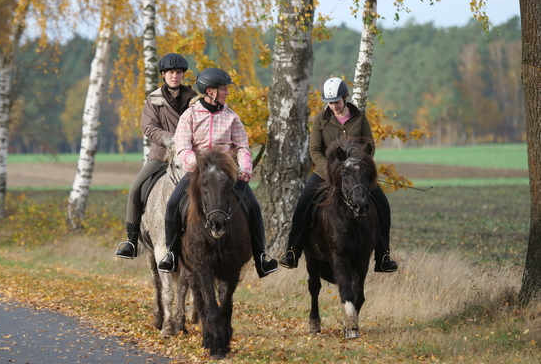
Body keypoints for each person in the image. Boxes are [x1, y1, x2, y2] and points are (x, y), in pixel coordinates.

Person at [156, 67, 278, 278]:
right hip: (197, 173)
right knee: (173, 205)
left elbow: (242, 147)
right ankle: (172, 254)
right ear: (210, 91)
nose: (227, 93)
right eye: (223, 89)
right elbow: (182, 147)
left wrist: (246, 167)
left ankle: (261, 257)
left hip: (226, 174)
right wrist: (197, 164)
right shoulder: (190, 116)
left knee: (254, 207)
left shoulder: (232, 117)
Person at [278, 77, 398, 273]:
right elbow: (315, 149)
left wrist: (357, 167)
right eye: (330, 102)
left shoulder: (360, 117)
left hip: (356, 175)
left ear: (345, 97)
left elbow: (370, 145)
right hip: (326, 173)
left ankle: (383, 255)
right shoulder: (320, 120)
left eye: (336, 101)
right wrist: (330, 169)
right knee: (303, 204)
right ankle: (292, 251)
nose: (333, 106)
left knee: (383, 205)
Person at [115, 53, 198, 258]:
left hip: (188, 158)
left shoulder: (194, 99)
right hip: (161, 156)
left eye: (179, 72)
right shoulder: (154, 99)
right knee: (135, 190)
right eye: (171, 72)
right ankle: (131, 240)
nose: (175, 76)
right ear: (163, 74)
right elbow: (148, 127)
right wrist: (168, 138)